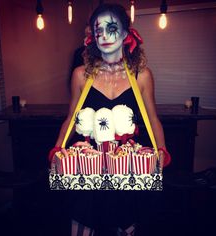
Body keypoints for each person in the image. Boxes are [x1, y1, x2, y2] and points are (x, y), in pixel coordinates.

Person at [49, 3, 171, 236]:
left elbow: (152, 118)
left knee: (125, 225)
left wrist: (162, 150)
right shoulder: (81, 75)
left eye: (111, 27)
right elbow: (72, 119)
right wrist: (57, 149)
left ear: (126, 33)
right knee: (82, 224)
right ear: (93, 37)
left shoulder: (142, 75)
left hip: (128, 162)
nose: (104, 35)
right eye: (98, 30)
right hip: (89, 162)